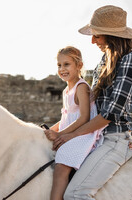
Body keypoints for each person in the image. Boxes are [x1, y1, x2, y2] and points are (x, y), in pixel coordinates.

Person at [59, 5, 132, 199]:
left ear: (111, 35)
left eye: (97, 35)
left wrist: (71, 135)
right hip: (95, 137)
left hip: (115, 139)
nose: (92, 40)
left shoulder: (131, 60)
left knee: (75, 194)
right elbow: (91, 107)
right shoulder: (104, 61)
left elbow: (111, 113)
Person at [44, 46, 105, 200]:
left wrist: (59, 134)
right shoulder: (66, 90)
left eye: (66, 64)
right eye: (59, 65)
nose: (62, 69)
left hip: (84, 134)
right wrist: (48, 130)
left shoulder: (81, 87)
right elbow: (66, 117)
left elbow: (83, 118)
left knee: (61, 167)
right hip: (69, 132)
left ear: (79, 66)